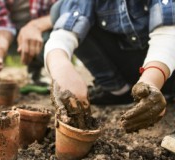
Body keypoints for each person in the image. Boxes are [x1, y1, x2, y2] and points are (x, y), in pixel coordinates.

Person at [45, 0, 175, 132]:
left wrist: (151, 81)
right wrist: (61, 67)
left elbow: (168, 33)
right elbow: (64, 32)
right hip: (129, 65)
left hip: (167, 67)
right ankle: (118, 90)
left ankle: (164, 92)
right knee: (59, 9)